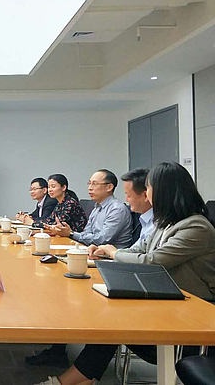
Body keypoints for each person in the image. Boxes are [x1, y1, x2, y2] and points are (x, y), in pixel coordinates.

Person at [36, 162, 215, 385]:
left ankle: (70, 381)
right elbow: (139, 249)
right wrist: (106, 252)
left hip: (195, 313)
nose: (146, 194)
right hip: (168, 299)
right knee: (109, 318)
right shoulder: (166, 224)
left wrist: (113, 252)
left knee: (113, 321)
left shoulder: (196, 227)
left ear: (163, 191)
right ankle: (77, 379)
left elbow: (152, 261)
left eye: (148, 188)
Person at [46, 169, 133, 248]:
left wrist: (71, 234)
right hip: (93, 251)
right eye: (89, 183)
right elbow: (86, 233)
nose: (90, 188)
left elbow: (102, 240)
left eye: (94, 184)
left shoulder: (117, 209)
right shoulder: (96, 208)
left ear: (109, 187)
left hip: (111, 257)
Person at [121, 168, 153, 248]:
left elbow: (142, 254)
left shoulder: (156, 223)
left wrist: (113, 252)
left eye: (129, 195)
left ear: (145, 195)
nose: (126, 200)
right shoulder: (144, 220)